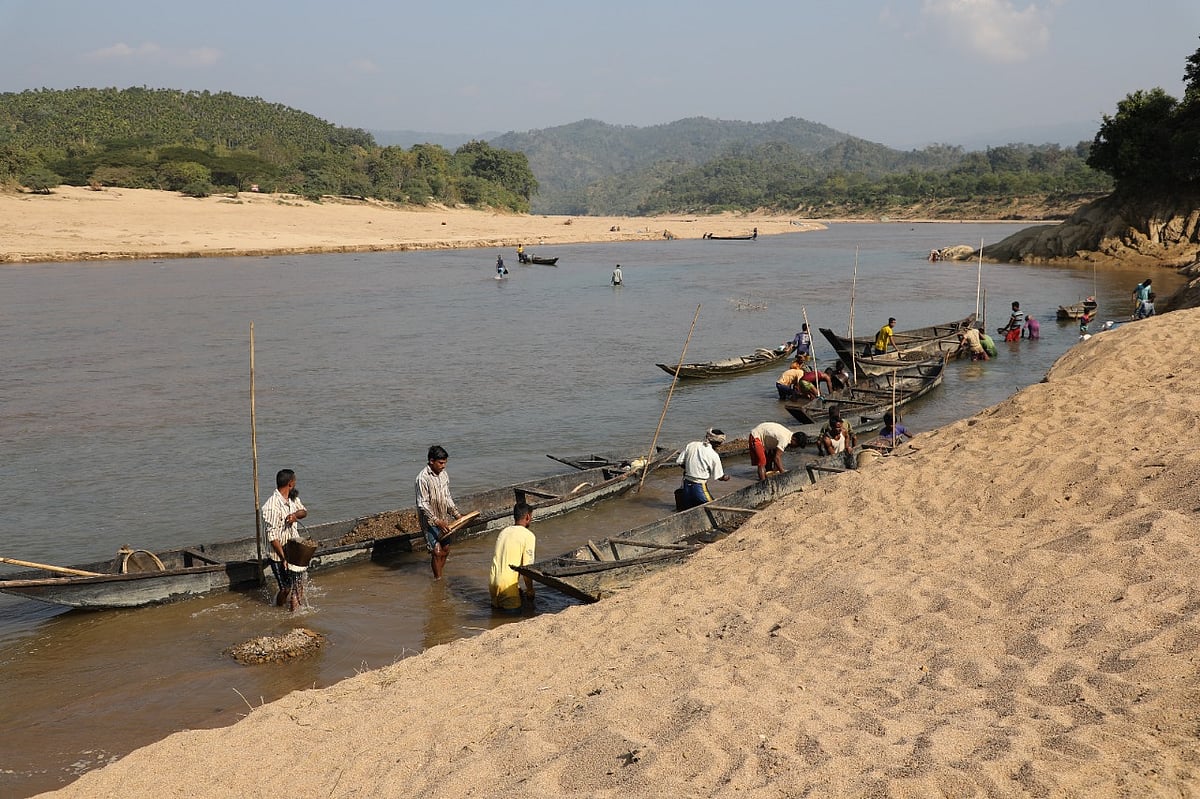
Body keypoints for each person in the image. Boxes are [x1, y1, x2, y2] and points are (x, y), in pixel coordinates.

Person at [260, 468, 308, 608]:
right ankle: (277, 608)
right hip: (277, 553)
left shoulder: (292, 498)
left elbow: (304, 512)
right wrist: (283, 558)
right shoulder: (271, 507)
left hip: (294, 548)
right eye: (295, 481)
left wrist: (295, 516)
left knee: (298, 584)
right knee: (285, 588)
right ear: (290, 483)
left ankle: (295, 613)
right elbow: (272, 537)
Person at [416, 444, 463, 579]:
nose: (443, 466)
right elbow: (422, 504)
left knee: (446, 549)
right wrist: (437, 521)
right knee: (436, 551)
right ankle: (438, 579)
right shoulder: (422, 478)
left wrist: (456, 514)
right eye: (441, 463)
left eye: (445, 463)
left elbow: (447, 497)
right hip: (430, 521)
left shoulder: (444, 475)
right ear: (432, 461)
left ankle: (439, 573)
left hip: (444, 518)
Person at [488, 501, 537, 614]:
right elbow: (527, 569)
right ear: (528, 517)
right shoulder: (528, 535)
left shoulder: (503, 532)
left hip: (493, 584)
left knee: (496, 617)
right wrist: (530, 590)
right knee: (513, 618)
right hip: (507, 586)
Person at [675, 428, 732, 510]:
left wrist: (690, 469)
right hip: (699, 487)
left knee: (686, 509)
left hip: (686, 486)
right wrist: (726, 478)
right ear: (719, 444)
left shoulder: (691, 445)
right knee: (713, 507)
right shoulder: (713, 455)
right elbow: (719, 477)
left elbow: (680, 462)